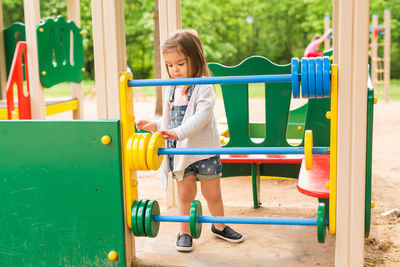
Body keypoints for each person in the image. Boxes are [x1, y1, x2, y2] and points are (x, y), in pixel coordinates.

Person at [136, 29, 244, 252]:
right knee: (185, 195)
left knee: (212, 193)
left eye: (180, 64)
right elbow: (169, 119)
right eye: (169, 65)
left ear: (195, 59)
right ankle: (184, 232)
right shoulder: (172, 89)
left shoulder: (203, 86)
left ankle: (219, 226)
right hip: (180, 152)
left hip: (204, 150)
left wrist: (178, 132)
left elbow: (201, 118)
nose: (174, 70)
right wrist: (155, 126)